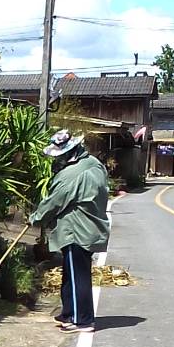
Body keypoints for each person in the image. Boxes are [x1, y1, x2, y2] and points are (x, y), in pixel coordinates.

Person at [30, 128, 110, 334]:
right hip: (89, 227)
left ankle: (81, 320)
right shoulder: (93, 163)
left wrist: (36, 218)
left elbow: (54, 201)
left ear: (70, 153)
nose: (59, 160)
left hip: (77, 230)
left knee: (78, 275)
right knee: (71, 272)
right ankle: (69, 312)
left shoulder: (72, 174)